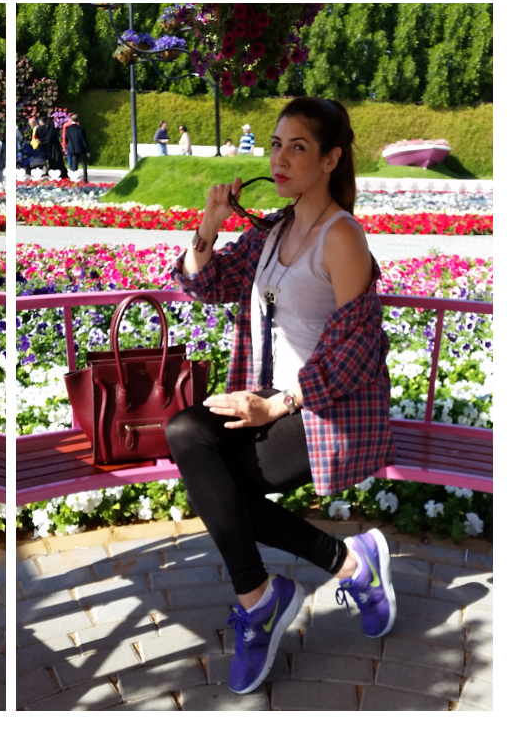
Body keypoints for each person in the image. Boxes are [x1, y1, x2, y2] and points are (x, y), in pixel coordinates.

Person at [166, 97, 396, 696]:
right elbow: (207, 284)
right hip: (271, 399)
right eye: (275, 145)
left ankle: (290, 592)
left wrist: (277, 404)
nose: (281, 159)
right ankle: (292, 584)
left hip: (326, 408)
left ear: (330, 159)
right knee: (185, 432)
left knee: (224, 485)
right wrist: (210, 222)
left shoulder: (342, 237)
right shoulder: (274, 230)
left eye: (298, 147)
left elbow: (358, 350)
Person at [64, 112, 90, 181]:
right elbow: (84, 140)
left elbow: (66, 139)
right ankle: (85, 178)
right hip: (81, 148)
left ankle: (74, 177)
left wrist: (67, 146)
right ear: (78, 120)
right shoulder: (81, 128)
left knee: (74, 164)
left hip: (72, 148)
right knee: (84, 164)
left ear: (71, 120)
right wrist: (87, 150)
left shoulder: (68, 129)